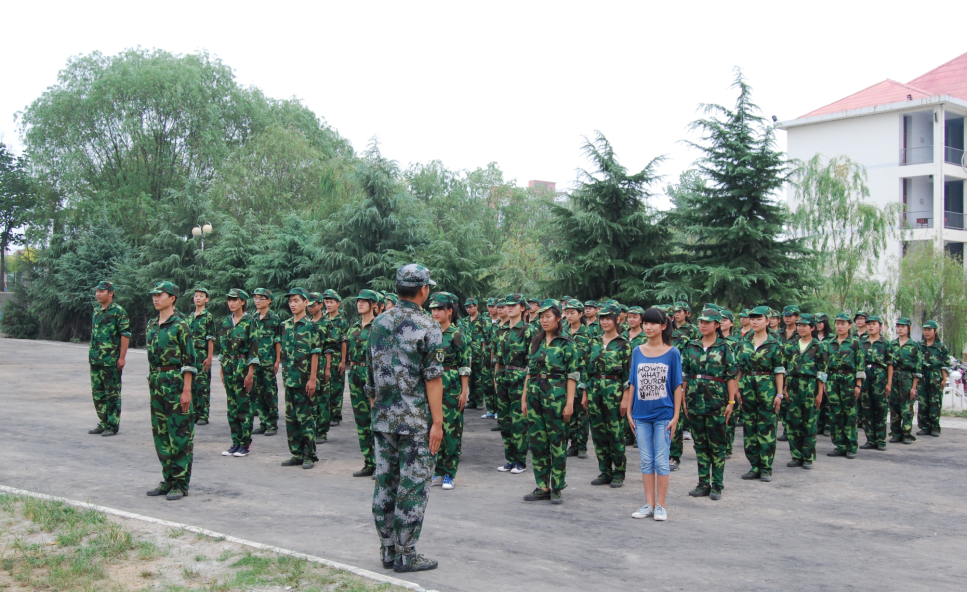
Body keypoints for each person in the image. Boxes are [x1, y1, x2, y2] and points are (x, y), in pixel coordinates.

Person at [365, 264, 443, 573]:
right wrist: (437, 423)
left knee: (385, 484)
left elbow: (370, 377)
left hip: (383, 418)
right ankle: (406, 554)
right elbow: (433, 379)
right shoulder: (428, 325)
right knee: (412, 486)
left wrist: (380, 410)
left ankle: (387, 549)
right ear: (424, 289)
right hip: (415, 422)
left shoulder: (378, 322)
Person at [622, 307, 682, 521]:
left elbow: (677, 385)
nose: (648, 327)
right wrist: (629, 411)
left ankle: (661, 506)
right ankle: (649, 504)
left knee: (662, 462)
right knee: (646, 461)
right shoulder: (637, 351)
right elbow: (632, 382)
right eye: (645, 323)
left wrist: (676, 416)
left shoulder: (673, 353)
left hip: (664, 415)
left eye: (653, 323)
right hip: (640, 415)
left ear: (663, 326)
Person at [521, 299, 579, 504]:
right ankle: (542, 486)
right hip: (535, 395)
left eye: (548, 316)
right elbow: (530, 371)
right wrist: (524, 398)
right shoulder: (536, 341)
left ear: (558, 318)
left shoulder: (567, 343)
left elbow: (572, 375)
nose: (544, 320)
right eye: (541, 317)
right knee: (537, 442)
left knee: (557, 442)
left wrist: (570, 403)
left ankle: (557, 486)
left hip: (557, 397)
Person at [144, 282, 197, 500]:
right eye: (154, 295)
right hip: (157, 383)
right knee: (161, 434)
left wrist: (187, 390)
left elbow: (189, 361)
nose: (156, 299)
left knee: (180, 434)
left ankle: (181, 483)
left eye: (160, 295)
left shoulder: (180, 325)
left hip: (176, 383)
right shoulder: (152, 325)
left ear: (172, 298)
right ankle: (168, 479)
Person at [681, 309, 738, 500]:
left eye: (707, 322)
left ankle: (717, 485)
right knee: (700, 444)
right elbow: (685, 375)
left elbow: (731, 377)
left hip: (717, 402)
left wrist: (731, 401)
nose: (703, 325)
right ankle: (703, 483)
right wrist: (684, 399)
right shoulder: (691, 346)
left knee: (717, 445)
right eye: (701, 322)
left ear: (717, 325)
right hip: (694, 401)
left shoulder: (725, 347)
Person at [736, 306, 785, 481]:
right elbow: (739, 368)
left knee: (767, 427)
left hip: (767, 388)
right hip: (747, 387)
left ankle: (765, 467)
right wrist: (736, 388)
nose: (755, 322)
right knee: (750, 427)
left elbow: (779, 370)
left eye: (759, 319)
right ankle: (754, 465)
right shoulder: (744, 342)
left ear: (767, 321)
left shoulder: (774, 343)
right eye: (752, 319)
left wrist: (779, 394)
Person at [428, 293, 471, 490]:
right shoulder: (430, 333)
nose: (435, 313)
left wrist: (464, 391)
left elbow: (464, 365)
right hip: (432, 385)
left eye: (440, 309)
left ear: (450, 312)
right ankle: (438, 471)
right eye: (433, 309)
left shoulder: (457, 335)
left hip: (451, 386)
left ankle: (449, 473)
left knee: (452, 429)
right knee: (434, 428)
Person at [586, 304, 632, 488]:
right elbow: (586, 370)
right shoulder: (594, 342)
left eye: (608, 319)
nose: (605, 322)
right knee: (598, 433)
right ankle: (605, 471)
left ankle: (619, 472)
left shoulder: (624, 344)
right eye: (602, 319)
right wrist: (585, 393)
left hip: (615, 392)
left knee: (615, 433)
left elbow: (628, 375)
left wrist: (626, 398)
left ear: (617, 320)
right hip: (595, 390)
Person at [279, 288, 321, 469]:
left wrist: (312, 378)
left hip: (305, 380)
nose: (292, 304)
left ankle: (309, 455)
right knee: (291, 419)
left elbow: (315, 353)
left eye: (296, 300)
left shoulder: (311, 326)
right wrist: (284, 375)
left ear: (305, 302)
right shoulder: (285, 325)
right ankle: (296, 453)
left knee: (306, 419)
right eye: (290, 301)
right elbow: (284, 352)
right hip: (290, 379)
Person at [494, 293, 535, 474]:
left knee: (519, 422)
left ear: (522, 308)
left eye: (513, 305)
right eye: (507, 305)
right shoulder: (500, 330)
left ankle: (520, 461)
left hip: (520, 379)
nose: (509, 308)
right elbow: (496, 358)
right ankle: (510, 460)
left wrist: (527, 386)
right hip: (503, 378)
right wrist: (495, 379)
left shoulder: (528, 331)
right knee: (504, 421)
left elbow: (532, 361)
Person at [218, 288, 260, 458]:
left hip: (243, 365)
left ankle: (245, 444)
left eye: (234, 300)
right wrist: (222, 368)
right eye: (229, 300)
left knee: (244, 406)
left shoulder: (250, 322)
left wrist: (250, 373)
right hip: (229, 365)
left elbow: (254, 348)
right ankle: (235, 442)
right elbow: (223, 347)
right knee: (232, 406)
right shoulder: (226, 321)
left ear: (242, 302)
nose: (231, 303)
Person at [88, 280, 131, 437]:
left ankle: (112, 425)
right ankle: (104, 422)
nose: (98, 294)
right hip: (95, 359)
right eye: (97, 291)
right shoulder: (96, 311)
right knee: (98, 393)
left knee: (112, 394)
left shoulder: (118, 312)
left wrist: (122, 357)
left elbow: (125, 335)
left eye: (101, 291)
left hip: (110, 360)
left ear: (110, 293)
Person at [821, 313, 865, 459]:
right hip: (833, 380)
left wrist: (858, 385)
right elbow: (824, 365)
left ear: (849, 325)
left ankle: (851, 446)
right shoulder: (829, 343)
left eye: (843, 323)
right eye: (837, 323)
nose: (839, 326)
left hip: (849, 379)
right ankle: (839, 445)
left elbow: (860, 365)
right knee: (835, 413)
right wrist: (825, 383)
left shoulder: (855, 343)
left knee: (850, 414)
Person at [783, 314, 825, 469]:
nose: (800, 328)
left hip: (810, 385)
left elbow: (822, 372)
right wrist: (785, 387)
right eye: (799, 325)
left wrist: (820, 393)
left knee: (810, 423)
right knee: (793, 422)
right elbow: (785, 368)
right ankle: (796, 455)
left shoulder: (818, 346)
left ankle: (807, 457)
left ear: (812, 328)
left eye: (804, 325)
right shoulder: (791, 346)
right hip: (793, 384)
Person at [346, 289, 380, 477]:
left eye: (364, 301)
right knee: (361, 420)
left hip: (372, 374)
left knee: (376, 419)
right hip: (355, 374)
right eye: (358, 301)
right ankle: (369, 462)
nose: (360, 304)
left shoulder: (378, 327)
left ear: (374, 304)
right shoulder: (354, 328)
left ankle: (381, 464)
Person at [562, 299, 591, 459]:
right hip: (566, 378)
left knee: (582, 415)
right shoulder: (562, 332)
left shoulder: (588, 334)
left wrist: (586, 383)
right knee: (568, 414)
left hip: (582, 377)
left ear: (580, 314)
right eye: (567, 313)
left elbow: (590, 360)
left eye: (572, 313)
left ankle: (581, 446)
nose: (569, 316)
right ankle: (572, 445)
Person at [251, 288, 282, 436]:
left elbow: (278, 340)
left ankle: (272, 424)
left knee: (270, 393)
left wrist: (277, 360)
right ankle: (263, 423)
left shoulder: (274, 318)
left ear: (269, 300)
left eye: (261, 298)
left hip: (268, 361)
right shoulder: (253, 317)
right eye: (256, 298)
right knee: (258, 393)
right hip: (255, 361)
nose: (257, 301)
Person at [860, 315, 893, 451]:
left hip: (880, 376)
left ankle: (880, 439)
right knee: (866, 408)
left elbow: (890, 364)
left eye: (874, 324)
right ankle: (870, 439)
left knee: (880, 408)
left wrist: (889, 383)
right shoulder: (861, 342)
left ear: (880, 326)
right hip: (865, 375)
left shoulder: (886, 343)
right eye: (869, 324)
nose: (871, 326)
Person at [186, 288, 215, 426]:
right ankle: (195, 413)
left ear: (206, 299)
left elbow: (211, 338)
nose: (198, 298)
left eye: (201, 296)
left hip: (202, 355)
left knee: (202, 385)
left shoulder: (208, 316)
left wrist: (209, 357)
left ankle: (203, 414)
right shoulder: (190, 317)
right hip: (190, 355)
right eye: (196, 296)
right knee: (191, 385)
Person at [321, 289, 349, 434]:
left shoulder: (341, 321)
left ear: (338, 304)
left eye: (331, 302)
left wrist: (343, 361)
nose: (328, 304)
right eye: (326, 302)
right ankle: (325, 413)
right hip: (324, 357)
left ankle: (336, 414)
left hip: (337, 356)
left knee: (337, 386)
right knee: (325, 386)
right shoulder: (323, 319)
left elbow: (344, 342)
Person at [890, 318, 922, 444]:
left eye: (903, 327)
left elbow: (917, 368)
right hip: (894, 377)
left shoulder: (914, 346)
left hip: (907, 377)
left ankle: (907, 433)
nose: (900, 329)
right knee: (894, 406)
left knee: (907, 407)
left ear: (909, 328)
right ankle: (896, 433)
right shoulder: (892, 344)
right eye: (898, 327)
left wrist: (914, 387)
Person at [917, 320, 948, 437]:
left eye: (929, 330)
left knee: (935, 401)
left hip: (935, 375)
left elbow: (945, 364)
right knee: (923, 401)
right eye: (925, 329)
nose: (926, 332)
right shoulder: (920, 346)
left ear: (935, 331)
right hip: (922, 376)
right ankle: (924, 426)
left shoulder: (940, 347)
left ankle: (935, 426)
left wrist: (944, 379)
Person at [308, 293, 331, 443]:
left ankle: (322, 431)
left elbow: (329, 347)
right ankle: (311, 428)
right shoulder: (307, 323)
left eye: (313, 305)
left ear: (321, 305)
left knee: (323, 397)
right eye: (308, 305)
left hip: (322, 362)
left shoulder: (327, 323)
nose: (310, 308)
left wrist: (328, 367)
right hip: (309, 363)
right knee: (310, 398)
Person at [776, 305, 801, 443]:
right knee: (783, 403)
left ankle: (794, 430)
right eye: (785, 316)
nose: (787, 318)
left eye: (790, 316)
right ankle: (786, 429)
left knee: (794, 402)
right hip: (780, 370)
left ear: (797, 317)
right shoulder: (778, 333)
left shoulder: (801, 332)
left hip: (794, 371)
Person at [461, 298, 489, 411]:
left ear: (476, 306)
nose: (468, 309)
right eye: (466, 307)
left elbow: (486, 337)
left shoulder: (483, 320)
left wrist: (483, 352)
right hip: (468, 353)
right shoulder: (464, 321)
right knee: (470, 378)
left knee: (479, 378)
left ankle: (479, 401)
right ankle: (471, 400)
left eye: (470, 307)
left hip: (479, 353)